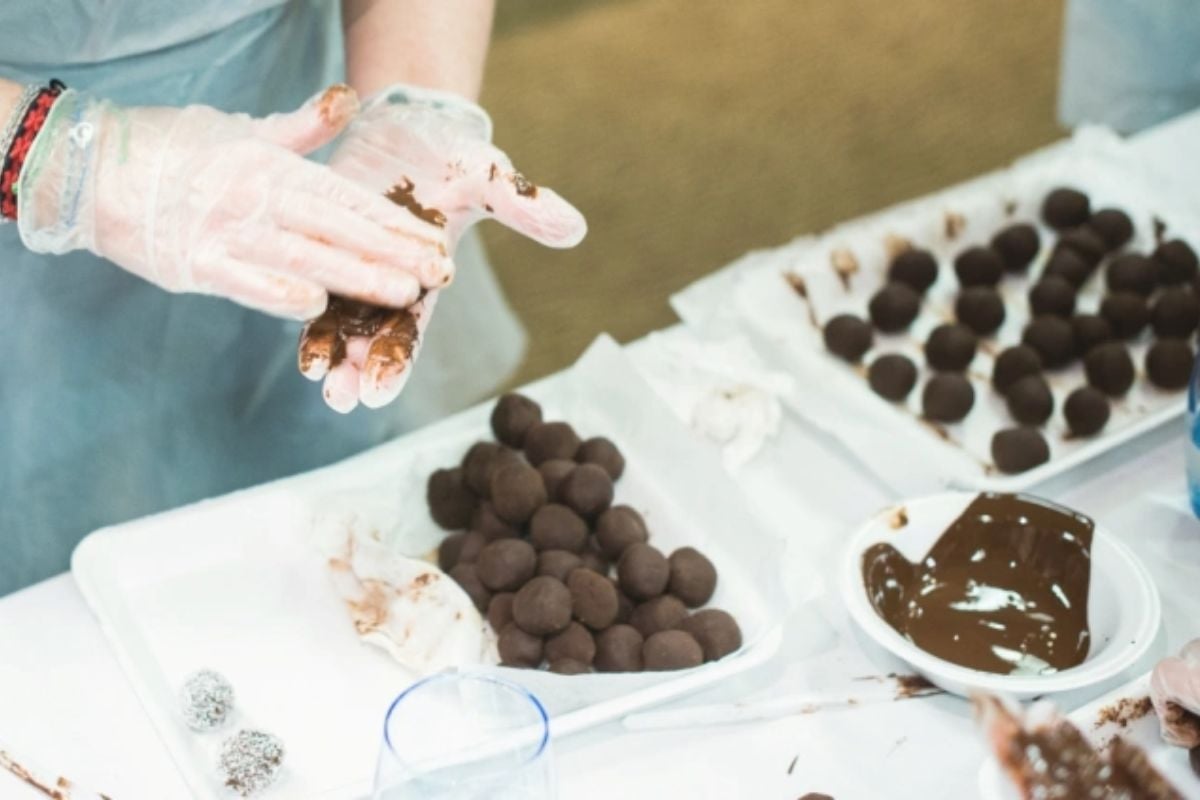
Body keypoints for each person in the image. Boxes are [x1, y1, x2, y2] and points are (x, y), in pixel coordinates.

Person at [0, 0, 587, 595]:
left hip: (305, 141)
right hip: (21, 205)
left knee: (327, 544)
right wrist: (65, 162)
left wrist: (416, 100)